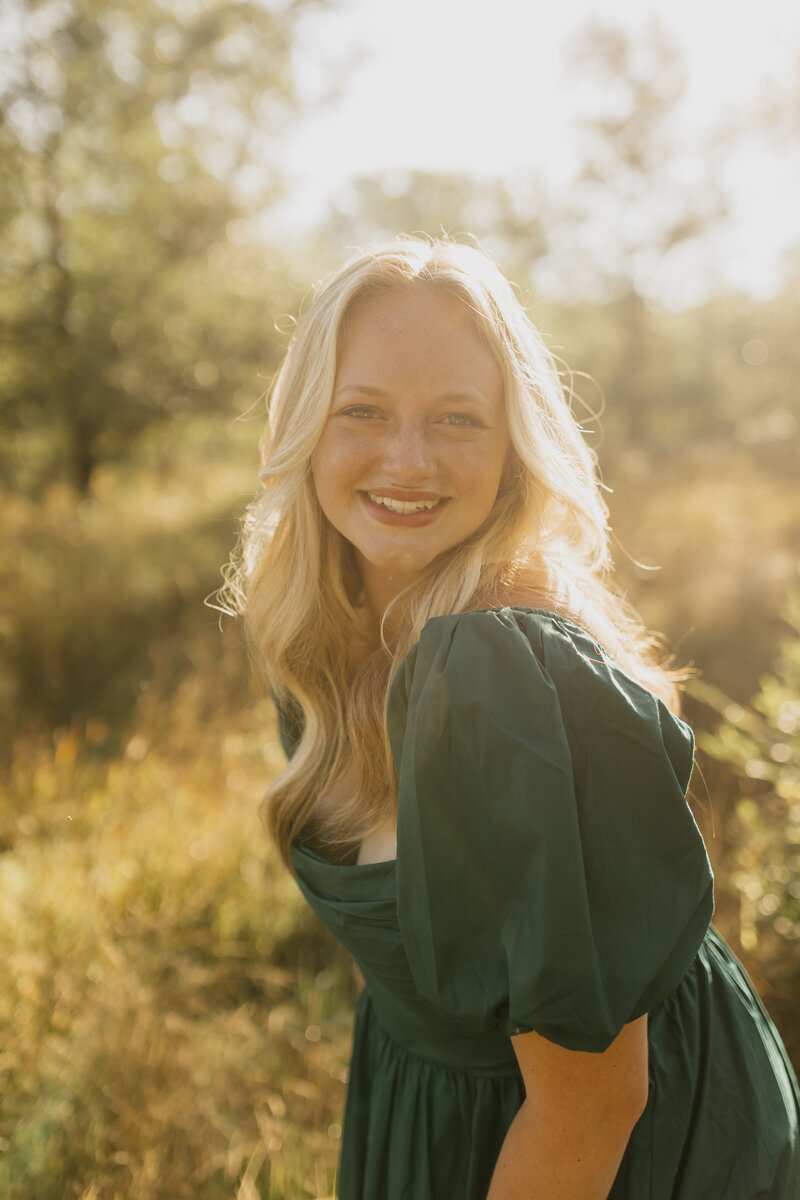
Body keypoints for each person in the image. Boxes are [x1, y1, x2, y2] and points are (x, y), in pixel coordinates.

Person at [225, 237, 800, 1199]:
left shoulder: (496, 677)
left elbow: (592, 1102)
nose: (406, 461)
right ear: (304, 425)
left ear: (512, 447)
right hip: (436, 1113)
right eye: (362, 410)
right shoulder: (320, 637)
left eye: (458, 418)